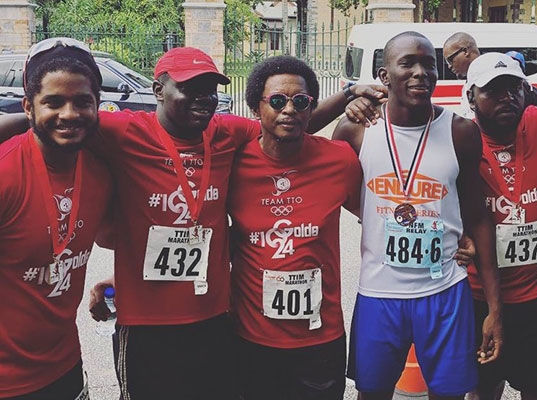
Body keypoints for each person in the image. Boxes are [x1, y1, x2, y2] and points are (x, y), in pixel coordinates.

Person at [0, 46, 386, 398]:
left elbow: (287, 123)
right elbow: (59, 122)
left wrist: (348, 96)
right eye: (189, 88)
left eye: (209, 89)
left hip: (214, 318)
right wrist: (31, 116)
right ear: (158, 90)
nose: (203, 98)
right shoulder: (120, 131)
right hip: (146, 325)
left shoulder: (227, 132)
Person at [333, 31, 502, 400]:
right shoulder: (356, 130)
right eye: (407, 63)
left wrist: (493, 307)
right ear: (383, 75)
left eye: (429, 63)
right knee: (372, 393)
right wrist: (374, 214)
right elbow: (331, 189)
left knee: (450, 393)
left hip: (444, 291)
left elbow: (478, 217)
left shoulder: (460, 132)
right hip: (379, 293)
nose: (421, 72)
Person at [226, 55, 361, 399]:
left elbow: (378, 214)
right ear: (256, 108)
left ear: (310, 106)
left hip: (320, 338)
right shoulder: (233, 163)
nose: (289, 109)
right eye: (277, 100)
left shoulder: (339, 159)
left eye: (300, 101)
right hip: (251, 338)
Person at [0, 38, 111, 399]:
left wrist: (118, 279)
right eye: (53, 102)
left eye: (82, 101)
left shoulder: (100, 172)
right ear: (28, 108)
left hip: (65, 367)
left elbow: (122, 236)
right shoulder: (6, 173)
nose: (69, 114)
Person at [463, 52, 537, 400]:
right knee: (482, 389)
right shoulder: (457, 138)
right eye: (493, 91)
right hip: (477, 297)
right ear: (471, 97)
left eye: (514, 88)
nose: (506, 98)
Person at [442, 33, 537, 119]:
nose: (449, 66)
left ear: (465, 51)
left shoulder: (502, 75)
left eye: (450, 60)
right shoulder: (469, 82)